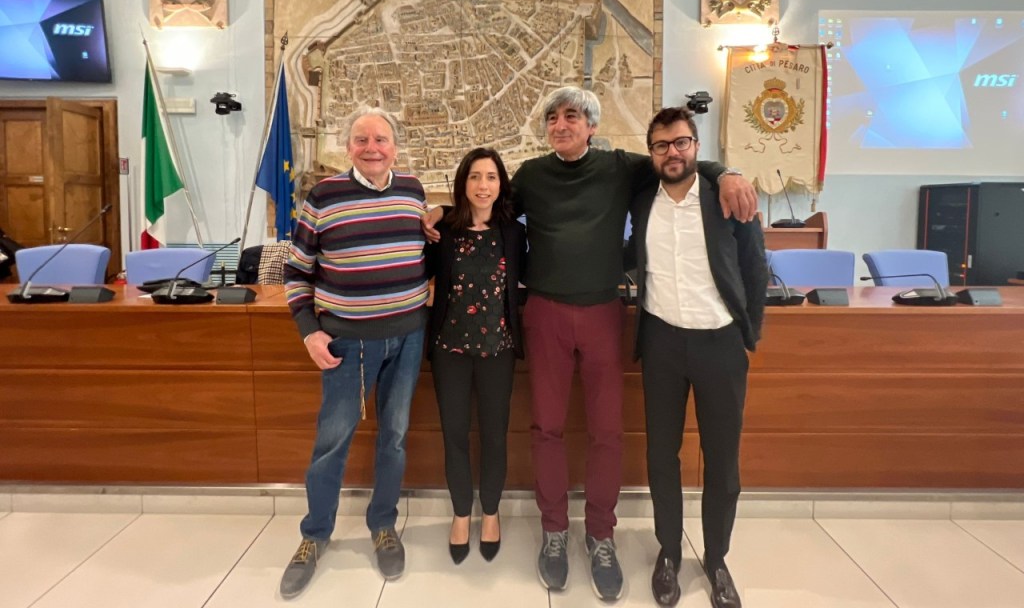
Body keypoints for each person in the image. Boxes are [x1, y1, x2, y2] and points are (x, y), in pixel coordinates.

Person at [424, 86, 757, 601]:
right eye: (553, 118)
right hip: (546, 314)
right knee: (547, 428)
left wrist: (727, 172)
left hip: (604, 313)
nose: (561, 125)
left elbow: (678, 161)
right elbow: (486, 205)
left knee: (606, 432)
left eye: (572, 116)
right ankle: (554, 531)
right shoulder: (532, 174)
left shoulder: (620, 167)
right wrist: (438, 212)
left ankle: (601, 535)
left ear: (592, 126)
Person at [279, 108, 429, 599]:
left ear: (395, 148)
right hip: (347, 342)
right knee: (332, 442)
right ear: (348, 147)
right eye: (361, 139)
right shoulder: (323, 197)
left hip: (408, 337)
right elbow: (296, 272)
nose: (372, 148)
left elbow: (421, 253)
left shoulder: (413, 192)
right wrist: (309, 332)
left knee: (395, 438)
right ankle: (314, 534)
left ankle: (383, 525)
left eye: (381, 139)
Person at [626, 107, 768, 608]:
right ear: (651, 153)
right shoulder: (642, 199)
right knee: (661, 455)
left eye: (682, 142)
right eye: (662, 145)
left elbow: (755, 267)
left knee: (722, 460)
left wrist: (749, 332)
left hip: (719, 344)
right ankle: (668, 552)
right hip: (662, 341)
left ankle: (717, 559)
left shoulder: (726, 197)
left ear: (696, 146)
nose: (673, 152)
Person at [424, 147, 527, 564]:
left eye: (491, 177)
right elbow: (421, 271)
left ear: (501, 184)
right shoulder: (443, 231)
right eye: (474, 177)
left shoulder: (513, 233)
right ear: (462, 182)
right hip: (449, 349)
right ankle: (461, 513)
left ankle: (491, 512)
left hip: (497, 350)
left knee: (494, 435)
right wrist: (437, 211)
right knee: (454, 434)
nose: (483, 185)